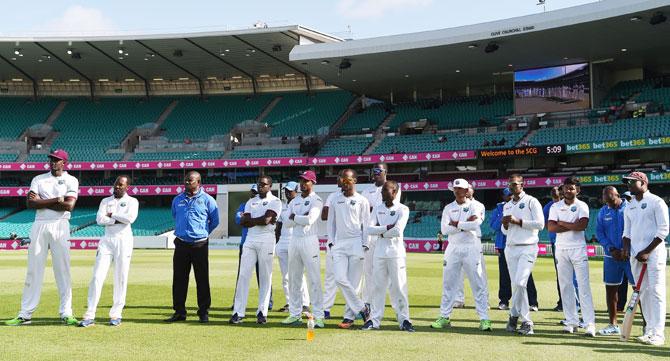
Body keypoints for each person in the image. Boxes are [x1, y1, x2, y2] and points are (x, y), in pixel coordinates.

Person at [6, 149, 79, 326]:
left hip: (60, 225)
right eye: (51, 159)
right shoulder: (38, 179)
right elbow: (30, 203)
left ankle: (66, 312)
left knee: (63, 270)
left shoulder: (71, 180)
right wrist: (56, 200)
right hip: (39, 224)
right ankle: (25, 314)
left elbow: (69, 206)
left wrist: (43, 201)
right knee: (33, 270)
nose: (53, 162)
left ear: (64, 163)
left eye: (57, 160)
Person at [78, 176, 139, 327]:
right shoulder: (105, 201)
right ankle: (89, 314)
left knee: (121, 277)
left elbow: (130, 219)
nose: (117, 187)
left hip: (124, 241)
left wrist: (111, 215)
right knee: (97, 277)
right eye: (116, 184)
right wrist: (117, 219)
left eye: (121, 185)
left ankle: (116, 314)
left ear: (127, 187)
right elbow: (99, 220)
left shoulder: (132, 201)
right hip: (106, 240)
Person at [431, 178, 491, 331]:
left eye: (460, 188)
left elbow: (476, 224)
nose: (457, 191)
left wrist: (456, 223)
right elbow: (445, 230)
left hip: (471, 246)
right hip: (453, 247)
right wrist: (464, 225)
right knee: (449, 283)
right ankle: (444, 316)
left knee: (477, 283)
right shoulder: (448, 208)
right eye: (455, 188)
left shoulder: (475, 206)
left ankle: (484, 319)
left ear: (466, 190)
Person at [165, 171, 219, 324]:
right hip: (181, 243)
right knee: (179, 279)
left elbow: (214, 221)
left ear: (198, 182)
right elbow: (175, 215)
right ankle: (179, 312)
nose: (187, 183)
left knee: (202, 279)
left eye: (190, 181)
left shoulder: (208, 200)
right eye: (186, 180)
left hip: (199, 244)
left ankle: (203, 312)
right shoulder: (177, 199)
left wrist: (203, 233)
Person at [622, 171, 668, 346]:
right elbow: (627, 232)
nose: (629, 185)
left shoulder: (656, 202)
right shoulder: (630, 205)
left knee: (656, 291)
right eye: (628, 183)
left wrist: (647, 251)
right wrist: (626, 249)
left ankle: (658, 334)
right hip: (635, 255)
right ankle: (649, 330)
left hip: (654, 254)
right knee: (643, 294)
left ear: (643, 183)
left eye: (632, 182)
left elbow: (663, 231)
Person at [362, 181, 414, 332]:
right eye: (382, 190)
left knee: (399, 287)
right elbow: (369, 229)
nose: (382, 193)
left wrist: (381, 231)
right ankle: (374, 320)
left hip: (396, 253)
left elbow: (398, 231)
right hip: (379, 252)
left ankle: (404, 320)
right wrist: (386, 229)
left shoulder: (403, 209)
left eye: (386, 190)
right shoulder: (377, 209)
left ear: (395, 191)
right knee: (377, 287)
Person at [548, 176, 596, 337]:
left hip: (578, 249)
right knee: (566, 286)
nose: (568, 191)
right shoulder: (556, 206)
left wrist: (563, 223)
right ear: (562, 190)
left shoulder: (582, 205)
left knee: (583, 287)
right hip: (561, 249)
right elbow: (551, 227)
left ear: (578, 190)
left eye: (572, 188)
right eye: (566, 188)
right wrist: (571, 226)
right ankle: (571, 322)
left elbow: (582, 226)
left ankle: (589, 324)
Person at [230, 176, 282, 325]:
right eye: (259, 184)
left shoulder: (275, 201)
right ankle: (238, 312)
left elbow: (267, 221)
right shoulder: (250, 202)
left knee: (265, 276)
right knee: (244, 275)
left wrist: (254, 221)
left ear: (270, 186)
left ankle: (262, 312)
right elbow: (244, 222)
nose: (260, 187)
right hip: (250, 239)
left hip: (267, 239)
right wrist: (258, 221)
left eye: (264, 185)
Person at [327, 169, 371, 329]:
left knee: (354, 283)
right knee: (339, 278)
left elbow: (366, 225)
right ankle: (362, 308)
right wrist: (331, 242)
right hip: (340, 243)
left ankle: (348, 317)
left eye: (347, 180)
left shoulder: (362, 200)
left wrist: (365, 244)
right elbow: (330, 222)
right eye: (341, 180)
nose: (343, 183)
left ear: (354, 181)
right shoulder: (335, 199)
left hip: (356, 243)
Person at [280, 171, 325, 327]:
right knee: (294, 279)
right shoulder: (295, 201)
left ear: (313, 182)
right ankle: (294, 313)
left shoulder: (316, 200)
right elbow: (286, 222)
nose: (303, 184)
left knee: (314, 279)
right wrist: (298, 218)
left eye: (306, 181)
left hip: (309, 240)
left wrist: (295, 217)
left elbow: (310, 219)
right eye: (301, 180)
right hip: (295, 240)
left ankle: (319, 315)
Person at [501, 174, 544, 336]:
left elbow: (540, 224)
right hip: (511, 248)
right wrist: (505, 224)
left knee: (520, 283)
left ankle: (525, 320)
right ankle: (514, 316)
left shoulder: (532, 201)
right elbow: (504, 231)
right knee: (518, 285)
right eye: (510, 185)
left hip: (528, 247)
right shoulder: (507, 206)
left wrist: (518, 221)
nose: (512, 187)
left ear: (522, 185)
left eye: (515, 184)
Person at [490, 188, 538, 311]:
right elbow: (494, 227)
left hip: (522, 244)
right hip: (504, 245)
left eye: (512, 194)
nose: (511, 197)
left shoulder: (524, 205)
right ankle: (504, 301)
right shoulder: (499, 209)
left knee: (526, 274)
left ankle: (532, 302)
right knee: (504, 274)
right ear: (504, 197)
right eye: (508, 195)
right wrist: (503, 219)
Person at [361, 163, 401, 308]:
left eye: (379, 170)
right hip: (371, 238)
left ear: (385, 172)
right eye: (374, 171)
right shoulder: (366, 191)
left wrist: (374, 210)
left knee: (392, 275)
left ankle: (396, 305)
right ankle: (367, 304)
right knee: (368, 272)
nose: (376, 173)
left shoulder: (395, 188)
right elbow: (368, 214)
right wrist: (375, 210)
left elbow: (388, 208)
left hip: (388, 239)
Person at [595, 186, 632, 336]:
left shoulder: (629, 208)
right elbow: (599, 232)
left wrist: (626, 249)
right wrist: (611, 249)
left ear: (617, 195)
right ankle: (613, 324)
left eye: (610, 199)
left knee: (639, 290)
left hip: (630, 256)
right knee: (611, 290)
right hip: (612, 257)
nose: (607, 202)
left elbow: (635, 229)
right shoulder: (603, 211)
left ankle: (647, 325)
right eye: (605, 199)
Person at [275, 181, 309, 313]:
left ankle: (305, 303)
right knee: (286, 276)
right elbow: (278, 226)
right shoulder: (282, 206)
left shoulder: (300, 204)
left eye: (290, 190)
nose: (287, 193)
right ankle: (290, 303)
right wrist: (276, 243)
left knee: (299, 274)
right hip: (282, 242)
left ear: (296, 191)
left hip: (295, 240)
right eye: (286, 190)